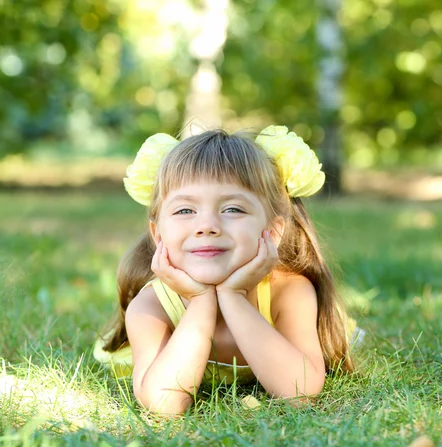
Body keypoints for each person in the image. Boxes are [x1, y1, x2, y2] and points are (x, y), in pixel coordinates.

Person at [94, 126, 359, 414]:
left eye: (232, 209)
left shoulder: (289, 292)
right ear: (158, 235)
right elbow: (164, 404)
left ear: (272, 230)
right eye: (185, 211)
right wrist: (200, 302)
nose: (206, 225)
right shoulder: (150, 307)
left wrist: (233, 296)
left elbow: (299, 393)